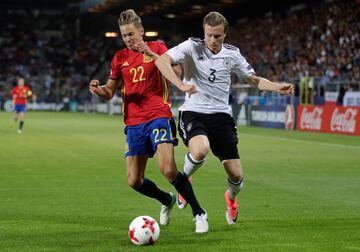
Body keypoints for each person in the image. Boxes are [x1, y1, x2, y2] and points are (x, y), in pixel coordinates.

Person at [155, 11, 294, 225]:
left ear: (225, 34)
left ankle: (231, 198)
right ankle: (184, 181)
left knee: (236, 177)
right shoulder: (191, 46)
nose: (212, 40)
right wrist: (181, 84)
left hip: (221, 116)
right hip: (194, 110)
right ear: (204, 32)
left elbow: (253, 80)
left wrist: (277, 87)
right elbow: (162, 62)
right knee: (200, 150)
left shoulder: (232, 54)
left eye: (217, 36)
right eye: (209, 35)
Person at [89, 9, 208, 233]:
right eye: (124, 35)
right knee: (134, 180)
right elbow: (109, 91)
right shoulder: (120, 58)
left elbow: (177, 72)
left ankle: (199, 212)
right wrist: (97, 90)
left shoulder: (158, 48)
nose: (128, 39)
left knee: (168, 170)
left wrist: (153, 56)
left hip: (158, 116)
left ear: (141, 31)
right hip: (133, 123)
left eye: (131, 34)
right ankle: (166, 199)